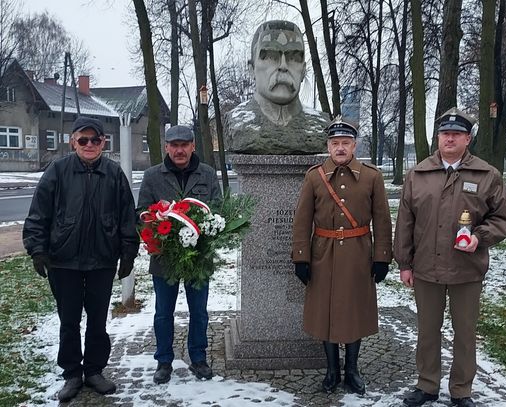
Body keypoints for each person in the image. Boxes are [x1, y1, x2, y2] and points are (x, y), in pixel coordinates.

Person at [394, 108, 506, 407]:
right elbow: (405, 222)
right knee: (428, 329)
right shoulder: (419, 174)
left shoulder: (487, 175)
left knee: (465, 331)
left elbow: (502, 217)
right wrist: (404, 263)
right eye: (445, 133)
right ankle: (427, 384)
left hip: (466, 268)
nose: (449, 138)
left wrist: (479, 237)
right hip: (425, 267)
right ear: (438, 138)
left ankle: (461, 390)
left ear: (467, 139)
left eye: (456, 134)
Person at [23, 116, 139, 402]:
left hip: (102, 260)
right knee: (69, 320)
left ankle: (95, 370)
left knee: (98, 321)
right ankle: (72, 373)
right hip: (64, 261)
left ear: (103, 143)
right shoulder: (57, 171)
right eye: (83, 139)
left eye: (95, 140)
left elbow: (127, 218)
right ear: (73, 141)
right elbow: (39, 213)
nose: (89, 145)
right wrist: (37, 249)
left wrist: (128, 253)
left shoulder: (114, 174)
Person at [291, 117, 392, 394]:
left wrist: (382, 256)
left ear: (354, 145)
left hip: (359, 253)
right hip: (323, 252)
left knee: (355, 311)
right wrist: (301, 257)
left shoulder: (372, 176)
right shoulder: (314, 176)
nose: (340, 148)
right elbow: (302, 219)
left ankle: (352, 370)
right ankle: (332, 370)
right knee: (325, 311)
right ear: (328, 146)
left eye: (345, 143)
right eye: (335, 143)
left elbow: (382, 219)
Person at [138, 125, 222, 384]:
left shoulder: (207, 174)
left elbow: (218, 209)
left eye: (184, 144)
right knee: (164, 312)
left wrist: (209, 231)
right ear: (166, 148)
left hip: (199, 257)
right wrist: (154, 227)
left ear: (193, 146)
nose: (179, 150)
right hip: (165, 258)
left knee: (199, 312)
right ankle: (164, 361)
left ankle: (198, 358)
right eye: (174, 145)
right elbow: (141, 211)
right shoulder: (153, 176)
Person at [225, 20, 328, 155]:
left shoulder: (320, 126)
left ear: (303, 71)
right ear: (252, 69)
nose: (283, 66)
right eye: (270, 57)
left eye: (293, 57)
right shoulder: (239, 122)